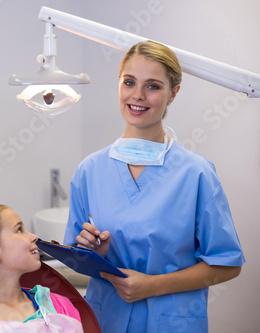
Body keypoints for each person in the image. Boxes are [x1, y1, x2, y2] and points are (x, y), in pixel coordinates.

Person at [64, 40, 245, 332]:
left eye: (152, 86)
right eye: (129, 82)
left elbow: (227, 265)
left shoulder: (195, 173)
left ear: (173, 94)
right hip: (105, 320)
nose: (137, 95)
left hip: (170, 323)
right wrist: (97, 252)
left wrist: (153, 286)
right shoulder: (90, 170)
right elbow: (75, 256)